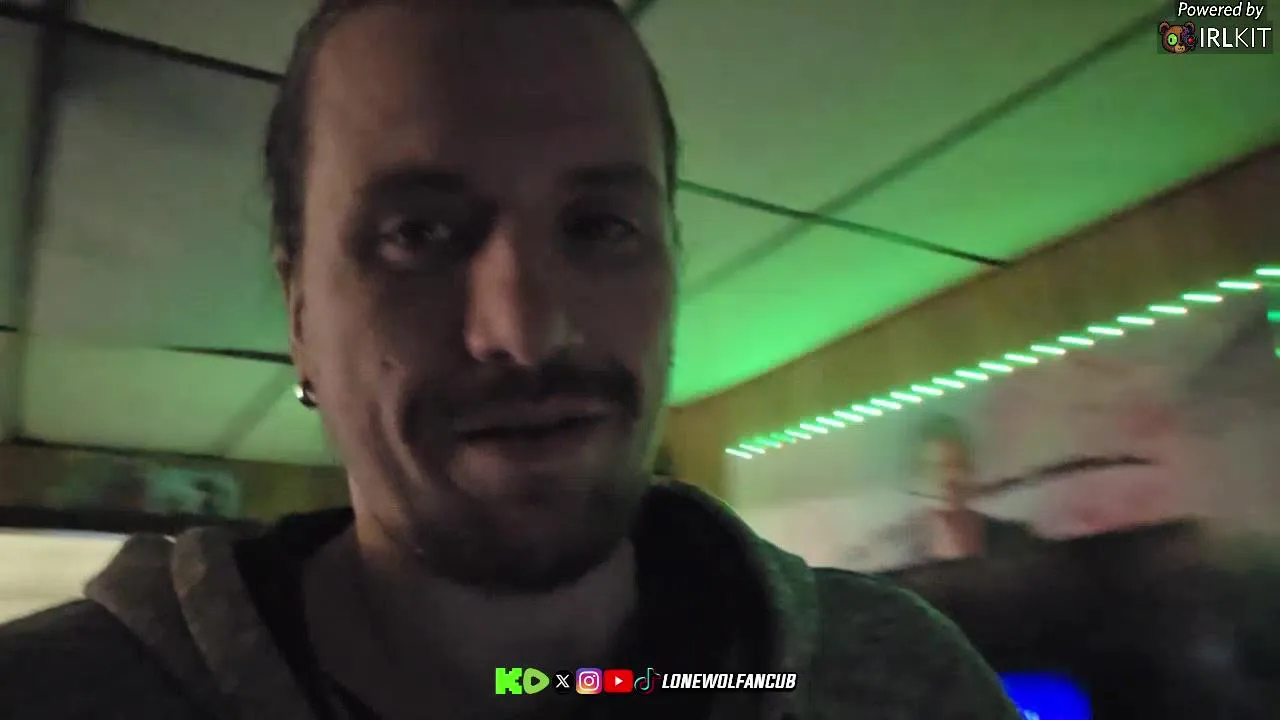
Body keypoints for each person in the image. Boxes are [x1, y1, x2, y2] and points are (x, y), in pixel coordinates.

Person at [0, 2, 1019, 718]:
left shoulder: (903, 681)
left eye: (599, 225)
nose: (528, 333)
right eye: (417, 234)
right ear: (301, 314)